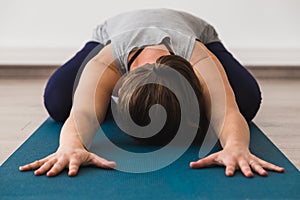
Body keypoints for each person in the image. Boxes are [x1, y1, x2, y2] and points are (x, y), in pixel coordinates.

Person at [19, 8, 284, 177]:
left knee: (247, 102)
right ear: (118, 86)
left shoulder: (198, 55)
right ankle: (114, 99)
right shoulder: (108, 60)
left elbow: (228, 111)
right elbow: (84, 113)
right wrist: (71, 146)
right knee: (57, 101)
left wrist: (236, 146)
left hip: (195, 29)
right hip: (114, 30)